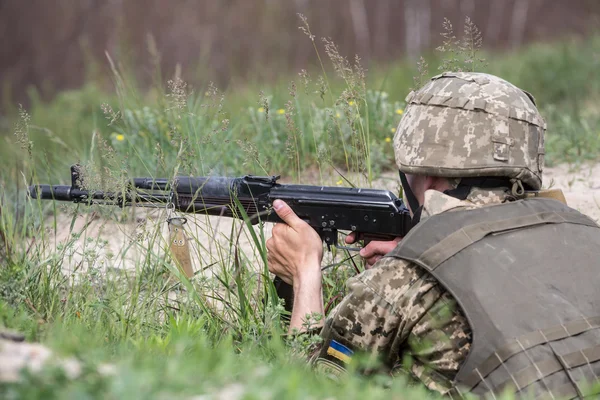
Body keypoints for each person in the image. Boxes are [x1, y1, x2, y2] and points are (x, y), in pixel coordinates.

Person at [266, 72, 600, 399]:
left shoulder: (400, 279)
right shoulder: (587, 234)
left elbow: (308, 391)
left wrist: (304, 269)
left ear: (422, 174)